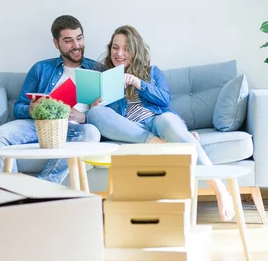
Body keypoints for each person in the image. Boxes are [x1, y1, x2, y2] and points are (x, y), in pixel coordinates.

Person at [86, 25, 235, 221]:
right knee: (94, 113)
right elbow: (107, 122)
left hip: (157, 119)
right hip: (130, 129)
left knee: (168, 121)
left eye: (126, 48)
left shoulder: (152, 72)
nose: (119, 53)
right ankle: (167, 144)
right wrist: (97, 104)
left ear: (135, 49)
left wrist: (137, 82)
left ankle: (219, 188)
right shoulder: (104, 78)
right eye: (115, 47)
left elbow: (164, 99)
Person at [0, 15, 101, 184]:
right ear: (56, 43)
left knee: (92, 133)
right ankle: (11, 194)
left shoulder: (98, 69)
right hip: (39, 125)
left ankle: (42, 187)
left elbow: (109, 113)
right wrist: (31, 110)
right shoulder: (41, 68)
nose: (76, 46)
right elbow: (18, 107)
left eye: (79, 38)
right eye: (68, 41)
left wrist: (84, 117)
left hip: (75, 129)